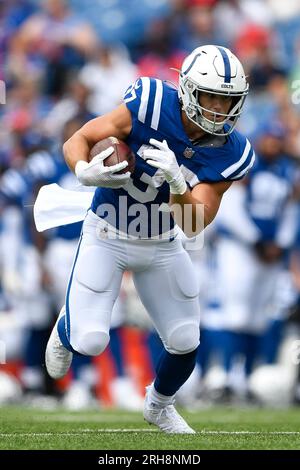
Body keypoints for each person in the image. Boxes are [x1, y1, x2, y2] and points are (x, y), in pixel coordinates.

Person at [45, 45, 253, 433]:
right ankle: (66, 327)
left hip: (161, 240)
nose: (219, 110)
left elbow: (193, 224)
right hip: (107, 230)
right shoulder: (152, 103)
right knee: (90, 341)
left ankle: (159, 405)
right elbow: (79, 138)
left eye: (228, 101)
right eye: (211, 97)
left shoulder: (233, 151)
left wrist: (178, 183)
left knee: (185, 337)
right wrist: (84, 171)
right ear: (188, 90)